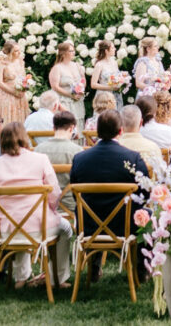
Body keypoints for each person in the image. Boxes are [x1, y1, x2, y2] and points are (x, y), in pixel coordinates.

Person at [0, 122, 72, 290]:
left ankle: (21, 277)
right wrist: (50, 211)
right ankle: (57, 278)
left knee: (17, 222)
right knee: (66, 228)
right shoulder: (40, 159)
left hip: (5, 231)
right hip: (40, 227)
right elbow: (55, 193)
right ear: (24, 138)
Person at [69, 109, 149, 284]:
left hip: (88, 224)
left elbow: (76, 194)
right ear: (120, 131)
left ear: (97, 131)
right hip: (125, 225)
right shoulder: (133, 158)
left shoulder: (80, 159)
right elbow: (145, 193)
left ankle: (95, 264)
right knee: (147, 213)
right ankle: (142, 269)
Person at [33, 110, 83, 215]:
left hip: (44, 203)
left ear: (53, 128)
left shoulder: (38, 150)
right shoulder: (78, 151)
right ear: (72, 129)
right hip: (71, 204)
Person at [118, 105, 166, 174]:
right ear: (141, 123)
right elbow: (159, 175)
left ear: (120, 123)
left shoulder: (113, 148)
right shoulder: (153, 148)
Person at [48, 41, 86, 123]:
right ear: (63, 53)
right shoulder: (57, 68)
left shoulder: (77, 65)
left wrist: (81, 91)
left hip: (77, 100)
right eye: (70, 51)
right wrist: (71, 95)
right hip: (64, 101)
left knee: (78, 122)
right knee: (66, 122)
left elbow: (83, 80)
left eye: (73, 51)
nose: (73, 53)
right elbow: (55, 87)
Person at [0, 40, 29, 126]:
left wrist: (24, 88)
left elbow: (24, 77)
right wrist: (13, 92)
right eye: (16, 51)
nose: (19, 52)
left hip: (20, 94)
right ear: (9, 52)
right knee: (8, 119)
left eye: (19, 50)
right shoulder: (2, 63)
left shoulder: (20, 61)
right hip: (7, 95)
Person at [89, 40, 124, 108]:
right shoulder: (99, 65)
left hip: (115, 95)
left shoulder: (114, 62)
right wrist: (110, 88)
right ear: (106, 51)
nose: (115, 49)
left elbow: (117, 77)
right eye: (112, 48)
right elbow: (93, 84)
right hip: (104, 96)